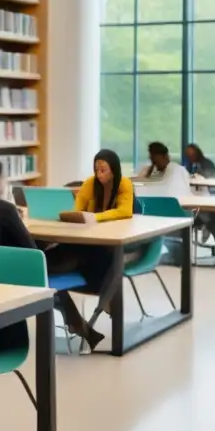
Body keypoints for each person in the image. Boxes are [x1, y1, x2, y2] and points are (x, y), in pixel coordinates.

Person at [51, 149, 136, 351]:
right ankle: (85, 326)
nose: (99, 173)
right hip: (90, 241)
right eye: (97, 169)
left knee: (48, 267)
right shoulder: (90, 183)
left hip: (113, 243)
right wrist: (74, 216)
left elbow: (125, 211)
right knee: (48, 267)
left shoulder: (124, 184)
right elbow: (77, 208)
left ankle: (100, 310)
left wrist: (97, 217)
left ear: (113, 170)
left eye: (103, 169)